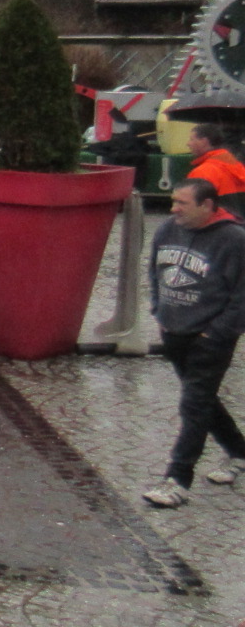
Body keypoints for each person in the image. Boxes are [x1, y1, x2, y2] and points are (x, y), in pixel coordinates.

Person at [142, 178, 245, 508]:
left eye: (182, 203)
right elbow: (155, 271)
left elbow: (242, 296)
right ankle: (240, 453)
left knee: (194, 404)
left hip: (210, 339)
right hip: (174, 332)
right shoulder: (168, 229)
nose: (173, 209)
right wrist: (159, 310)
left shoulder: (233, 240)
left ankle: (177, 479)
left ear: (208, 206)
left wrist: (217, 332)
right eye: (173, 201)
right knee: (203, 402)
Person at [187, 124, 245, 216]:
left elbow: (192, 209)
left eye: (192, 139)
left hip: (216, 226)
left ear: (204, 141)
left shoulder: (203, 172)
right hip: (238, 225)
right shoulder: (235, 165)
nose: (188, 144)